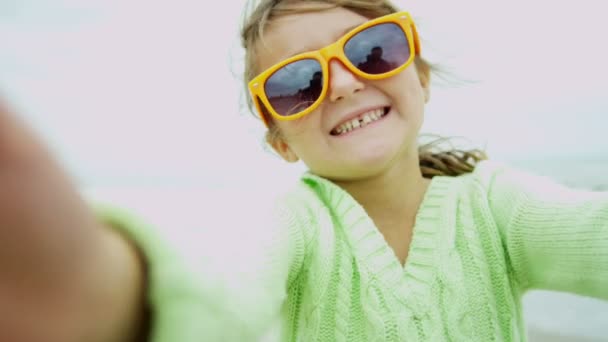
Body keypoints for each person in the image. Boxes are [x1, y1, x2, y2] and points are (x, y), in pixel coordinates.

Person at [0, 0, 606, 341]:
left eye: (371, 49)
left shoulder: (499, 207)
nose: (342, 84)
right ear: (280, 140)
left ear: (419, 74)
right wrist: (111, 290)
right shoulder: (295, 227)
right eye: (298, 83)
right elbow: (225, 273)